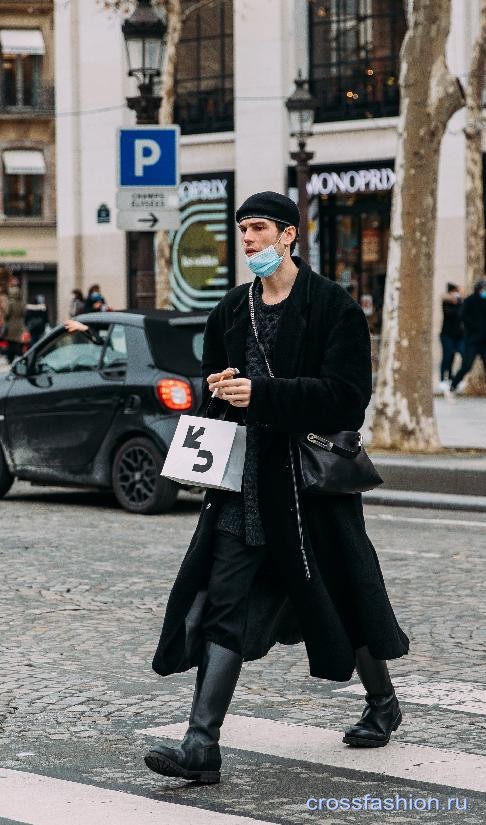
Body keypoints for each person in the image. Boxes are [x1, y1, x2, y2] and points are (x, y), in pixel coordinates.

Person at [144, 192, 409, 785]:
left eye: (259, 229)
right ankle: (200, 745)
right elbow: (214, 392)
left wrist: (264, 396)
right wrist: (216, 388)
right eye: (242, 230)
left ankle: (382, 701)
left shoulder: (332, 306)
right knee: (222, 600)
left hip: (310, 488)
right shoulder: (231, 311)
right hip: (244, 488)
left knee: (342, 593)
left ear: (290, 235)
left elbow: (347, 397)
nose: (248, 240)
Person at [448, 278, 486, 398]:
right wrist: (473, 328)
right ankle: (452, 387)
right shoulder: (470, 301)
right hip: (472, 341)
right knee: (466, 366)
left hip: (485, 341)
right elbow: (462, 315)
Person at [439, 283, 464, 388]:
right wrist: (456, 302)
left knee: (462, 354)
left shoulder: (461, 302)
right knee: (447, 357)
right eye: (455, 292)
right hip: (447, 335)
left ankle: (453, 378)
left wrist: (459, 301)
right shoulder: (446, 303)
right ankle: (442, 379)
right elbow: (452, 314)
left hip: (459, 336)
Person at [3, 279, 25, 364]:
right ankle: (20, 357)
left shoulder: (10, 303)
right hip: (19, 325)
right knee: (17, 342)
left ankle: (10, 358)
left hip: (11, 325)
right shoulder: (21, 303)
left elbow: (7, 314)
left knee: (10, 343)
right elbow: (24, 313)